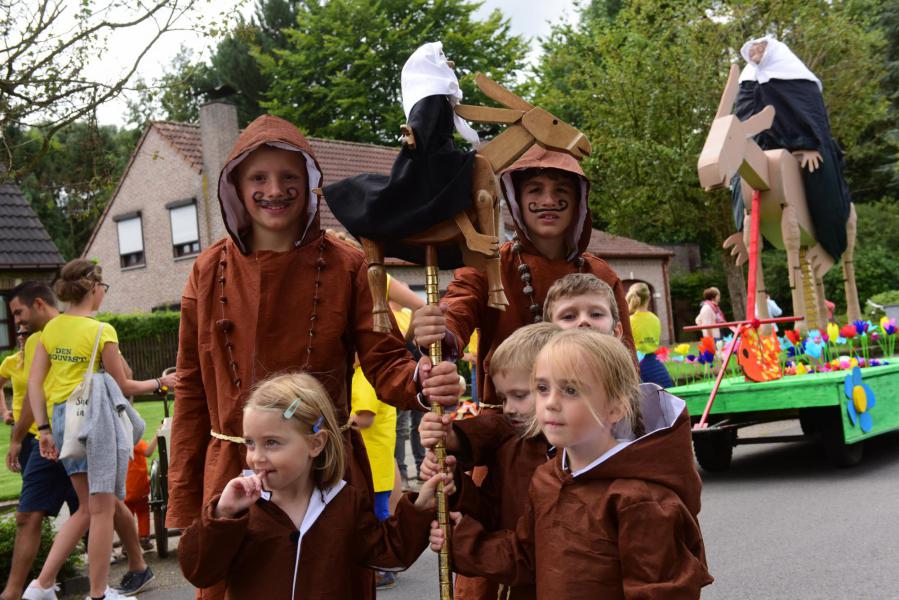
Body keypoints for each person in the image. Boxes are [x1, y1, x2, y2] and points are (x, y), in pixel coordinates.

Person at [167, 114, 461, 600]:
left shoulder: (347, 264)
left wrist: (421, 375)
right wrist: (183, 501)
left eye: (289, 177)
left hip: (328, 469)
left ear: (310, 183)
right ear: (236, 186)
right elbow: (192, 388)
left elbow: (385, 364)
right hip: (236, 468)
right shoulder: (207, 268)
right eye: (258, 178)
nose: (274, 190)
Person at [430, 329, 713, 597]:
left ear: (615, 407)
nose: (551, 403)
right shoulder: (548, 478)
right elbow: (527, 557)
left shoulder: (640, 499)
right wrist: (463, 541)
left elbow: (660, 592)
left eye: (571, 390)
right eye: (542, 388)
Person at [178, 372, 452, 599]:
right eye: (250, 442)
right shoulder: (241, 509)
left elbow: (387, 553)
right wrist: (222, 515)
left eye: (272, 442)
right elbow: (200, 571)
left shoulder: (343, 501)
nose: (257, 456)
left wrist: (420, 507)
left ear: (315, 444)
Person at [413, 145, 635, 414]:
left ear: (578, 201)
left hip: (589, 424)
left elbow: (626, 362)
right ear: (517, 200)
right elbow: (458, 309)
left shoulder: (600, 274)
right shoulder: (489, 267)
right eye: (535, 190)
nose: (548, 200)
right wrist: (439, 329)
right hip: (509, 432)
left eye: (561, 190)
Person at [23, 261, 176, 600]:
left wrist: (44, 429)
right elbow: (123, 385)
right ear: (94, 288)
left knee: (86, 508)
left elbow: (36, 383)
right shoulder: (101, 331)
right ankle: (98, 594)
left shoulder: (51, 329)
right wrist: (161, 382)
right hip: (95, 421)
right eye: (104, 286)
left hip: (63, 420)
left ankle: (41, 585)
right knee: (101, 508)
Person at [420, 322, 559, 600]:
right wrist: (456, 485)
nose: (508, 408)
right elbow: (493, 512)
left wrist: (464, 542)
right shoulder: (515, 447)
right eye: (503, 397)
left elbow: (532, 556)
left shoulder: (574, 461)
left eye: (519, 396)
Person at [732, 35, 851, 265]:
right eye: (752, 50)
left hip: (804, 145)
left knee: (819, 173)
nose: (755, 51)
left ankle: (830, 244)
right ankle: (744, 230)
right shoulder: (748, 84)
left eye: (760, 47)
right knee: (740, 175)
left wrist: (810, 145)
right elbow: (744, 118)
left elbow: (812, 116)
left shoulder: (796, 78)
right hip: (762, 144)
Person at [2, 283, 79, 600]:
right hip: (45, 440)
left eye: (19, 312)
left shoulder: (81, 328)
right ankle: (15, 592)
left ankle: (134, 566)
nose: (17, 322)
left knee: (95, 511)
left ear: (36, 304)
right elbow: (36, 395)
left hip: (79, 436)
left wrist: (16, 440)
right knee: (28, 514)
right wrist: (24, 436)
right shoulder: (36, 341)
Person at [626, 282, 674, 388]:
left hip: (636, 364)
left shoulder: (630, 321)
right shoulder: (655, 319)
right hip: (655, 363)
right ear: (649, 298)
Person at [125, 434, 159, 552]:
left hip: (124, 488)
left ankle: (127, 543)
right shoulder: (135, 441)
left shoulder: (119, 440)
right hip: (138, 487)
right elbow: (148, 452)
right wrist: (157, 436)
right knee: (143, 512)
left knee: (126, 515)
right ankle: (144, 537)